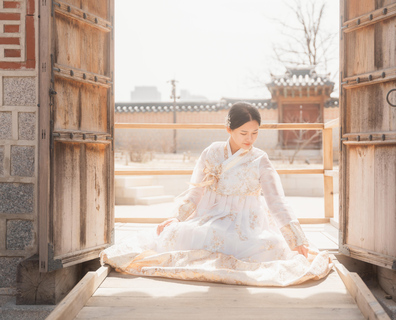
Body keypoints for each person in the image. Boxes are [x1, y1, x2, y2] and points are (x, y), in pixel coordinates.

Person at [101, 102, 333, 286]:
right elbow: (196, 192)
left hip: (247, 220)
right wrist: (177, 217)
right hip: (211, 215)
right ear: (228, 129)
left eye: (255, 133)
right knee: (179, 233)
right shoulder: (211, 152)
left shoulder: (260, 159)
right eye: (243, 133)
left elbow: (276, 201)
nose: (249, 139)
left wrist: (296, 237)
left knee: (268, 245)